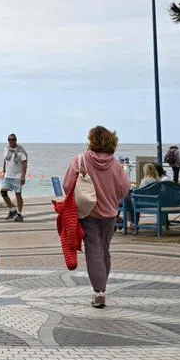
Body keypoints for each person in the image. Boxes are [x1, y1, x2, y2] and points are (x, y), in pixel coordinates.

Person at [62, 126, 131, 309]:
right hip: (110, 213)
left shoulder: (80, 160)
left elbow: (67, 185)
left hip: (88, 212)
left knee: (93, 250)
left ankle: (99, 292)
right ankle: (102, 287)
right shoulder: (116, 165)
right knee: (104, 249)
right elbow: (124, 189)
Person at [0, 133, 28, 222]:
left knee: (18, 195)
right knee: (3, 192)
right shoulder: (6, 150)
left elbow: (25, 164)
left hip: (17, 177)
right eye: (9, 139)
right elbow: (5, 161)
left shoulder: (20, 151)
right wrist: (3, 171)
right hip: (7, 176)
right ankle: (12, 210)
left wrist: (23, 176)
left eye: (13, 139)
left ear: (16, 140)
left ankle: (19, 214)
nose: (11, 141)